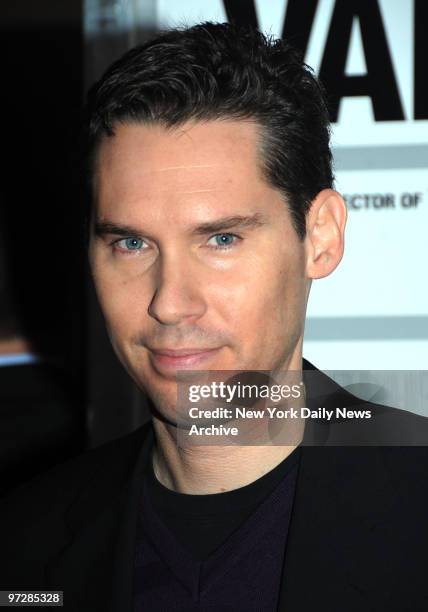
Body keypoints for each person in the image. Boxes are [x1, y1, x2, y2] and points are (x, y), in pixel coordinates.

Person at [1, 22, 427, 612]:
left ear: (320, 239)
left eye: (221, 239)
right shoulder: (22, 546)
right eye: (130, 244)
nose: (169, 302)